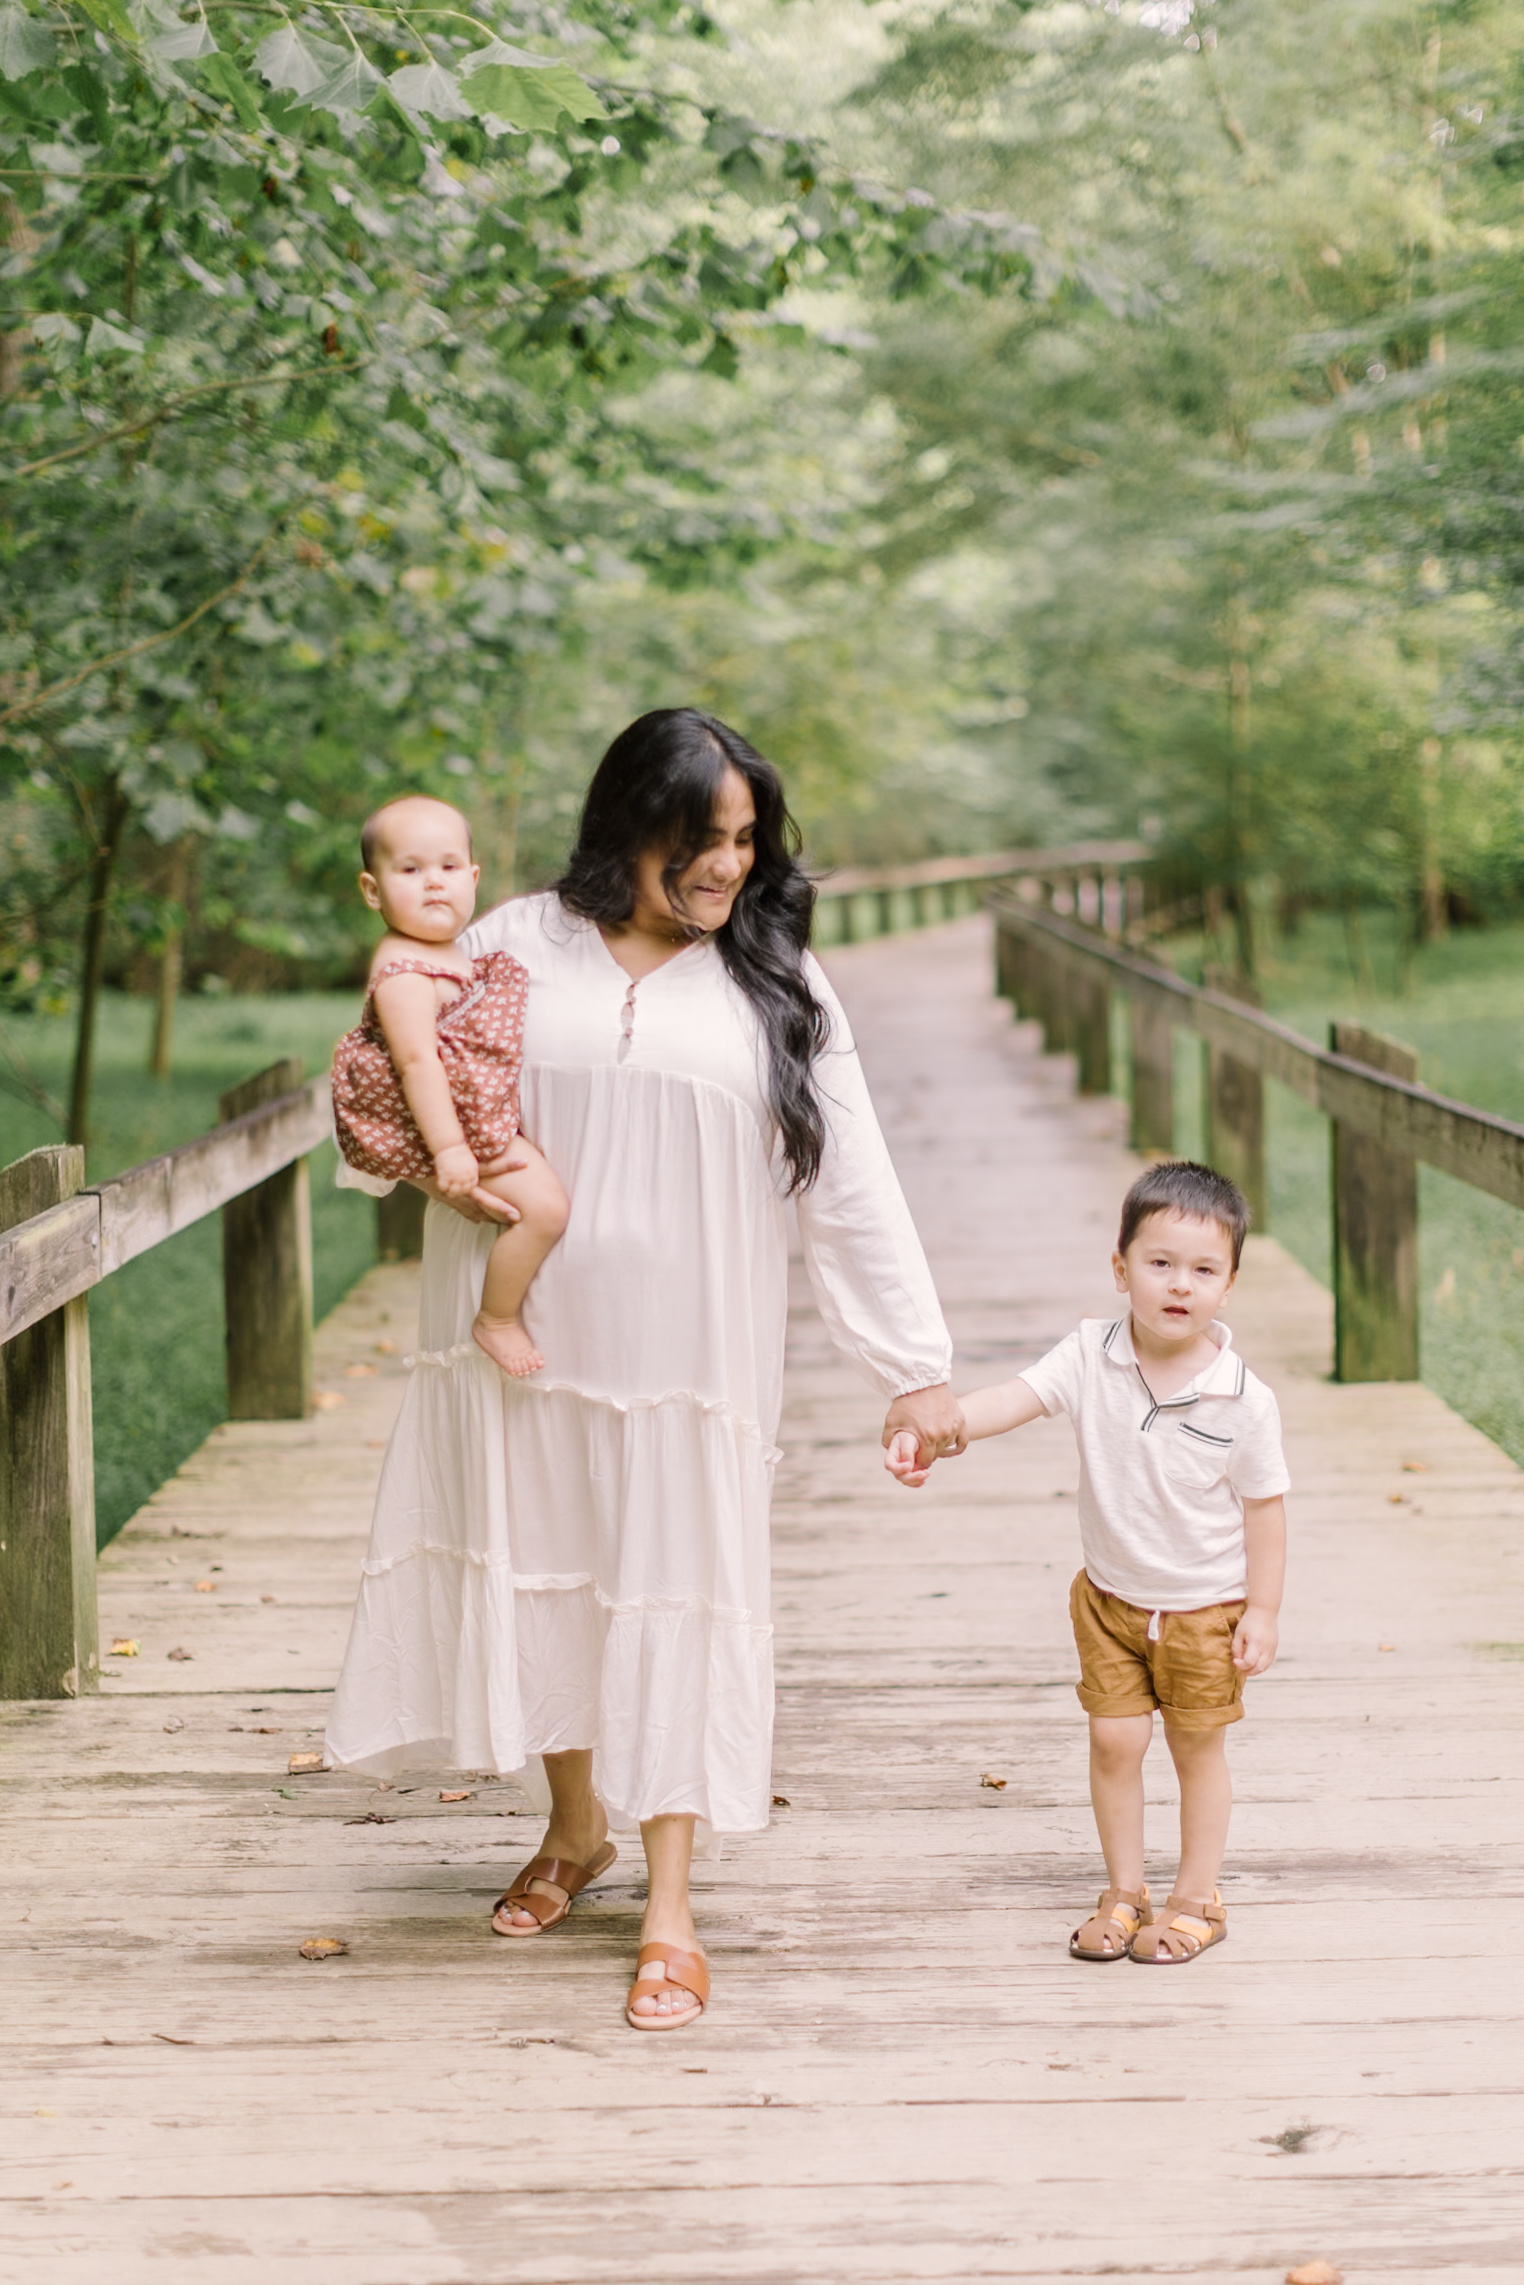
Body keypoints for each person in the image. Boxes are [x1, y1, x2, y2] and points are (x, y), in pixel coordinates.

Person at [326, 710, 963, 2029]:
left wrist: (914, 1363)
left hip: (689, 1356)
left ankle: (670, 1903)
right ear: (627, 827)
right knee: (552, 1569)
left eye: (743, 840)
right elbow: (393, 1087)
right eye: (698, 840)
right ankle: (575, 1829)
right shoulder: (509, 940)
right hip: (526, 1334)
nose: (728, 867)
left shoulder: (778, 979)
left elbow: (851, 1182)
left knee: (676, 1587)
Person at [887, 1160, 1288, 1967]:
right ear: (1121, 1268)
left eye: (1204, 1270)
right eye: (1160, 1263)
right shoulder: (1090, 1353)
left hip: (1205, 1608)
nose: (1181, 1284)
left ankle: (1195, 1898)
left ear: (1230, 1283)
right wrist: (941, 1425)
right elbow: (1016, 1397)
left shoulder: (1242, 1396)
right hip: (1109, 1600)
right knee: (1113, 1740)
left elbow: (1266, 1507)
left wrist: (1265, 1609)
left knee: (1195, 1746)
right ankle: (1125, 1889)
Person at [330, 795, 569, 1378]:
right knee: (546, 1209)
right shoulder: (405, 974)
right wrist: (449, 1150)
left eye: (448, 867)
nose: (434, 884)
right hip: (453, 1129)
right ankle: (497, 1318)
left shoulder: (449, 951)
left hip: (468, 1115)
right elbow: (418, 1065)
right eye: (410, 870)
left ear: (473, 876)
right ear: (372, 890)